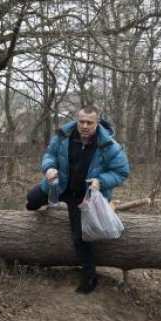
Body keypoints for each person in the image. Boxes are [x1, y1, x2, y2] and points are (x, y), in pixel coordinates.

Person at [25, 105, 130, 294]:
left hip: (83, 194)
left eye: (89, 122)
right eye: (81, 121)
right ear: (76, 119)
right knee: (31, 200)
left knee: (81, 237)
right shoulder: (63, 135)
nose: (84, 126)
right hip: (60, 185)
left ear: (97, 123)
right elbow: (49, 154)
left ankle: (89, 279)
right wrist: (49, 168)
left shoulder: (109, 145)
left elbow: (122, 172)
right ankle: (44, 205)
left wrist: (101, 181)